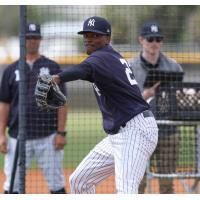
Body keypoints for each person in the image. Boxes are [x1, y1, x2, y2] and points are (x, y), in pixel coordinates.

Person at [51, 16, 158, 194]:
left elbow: (81, 70)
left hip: (134, 130)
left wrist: (57, 77)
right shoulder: (108, 58)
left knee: (126, 190)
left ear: (107, 38)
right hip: (121, 133)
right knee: (79, 181)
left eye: (95, 35)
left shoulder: (102, 57)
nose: (88, 39)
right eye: (86, 35)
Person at [0, 22, 67, 194]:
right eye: (29, 37)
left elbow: (62, 103)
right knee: (13, 186)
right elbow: (4, 104)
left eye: (36, 37)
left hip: (48, 136)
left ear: (40, 39)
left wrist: (61, 133)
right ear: (23, 40)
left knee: (56, 185)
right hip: (17, 137)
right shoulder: (10, 69)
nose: (32, 41)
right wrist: (1, 134)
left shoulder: (52, 67)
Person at [129, 21, 183, 193]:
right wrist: (145, 94)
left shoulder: (174, 67)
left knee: (167, 184)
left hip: (167, 131)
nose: (154, 43)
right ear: (141, 40)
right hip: (139, 132)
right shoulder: (129, 67)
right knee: (137, 183)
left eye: (158, 39)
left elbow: (180, 98)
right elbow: (122, 102)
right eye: (150, 39)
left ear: (162, 41)